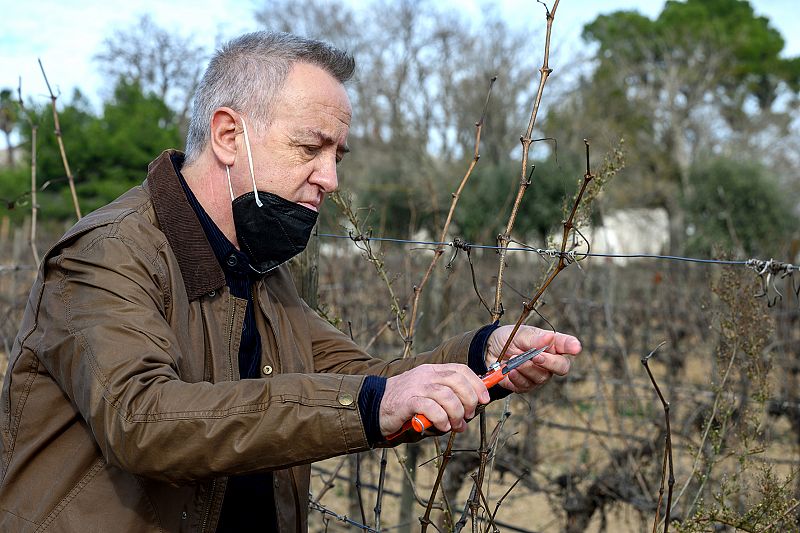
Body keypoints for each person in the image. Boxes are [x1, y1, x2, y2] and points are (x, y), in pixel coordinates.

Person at [0, 32, 581, 532]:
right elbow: (142, 419)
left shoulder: (259, 271)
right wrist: (374, 402)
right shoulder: (105, 255)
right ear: (228, 136)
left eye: (337, 156)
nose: (328, 178)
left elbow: (360, 382)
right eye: (309, 147)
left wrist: (484, 360)